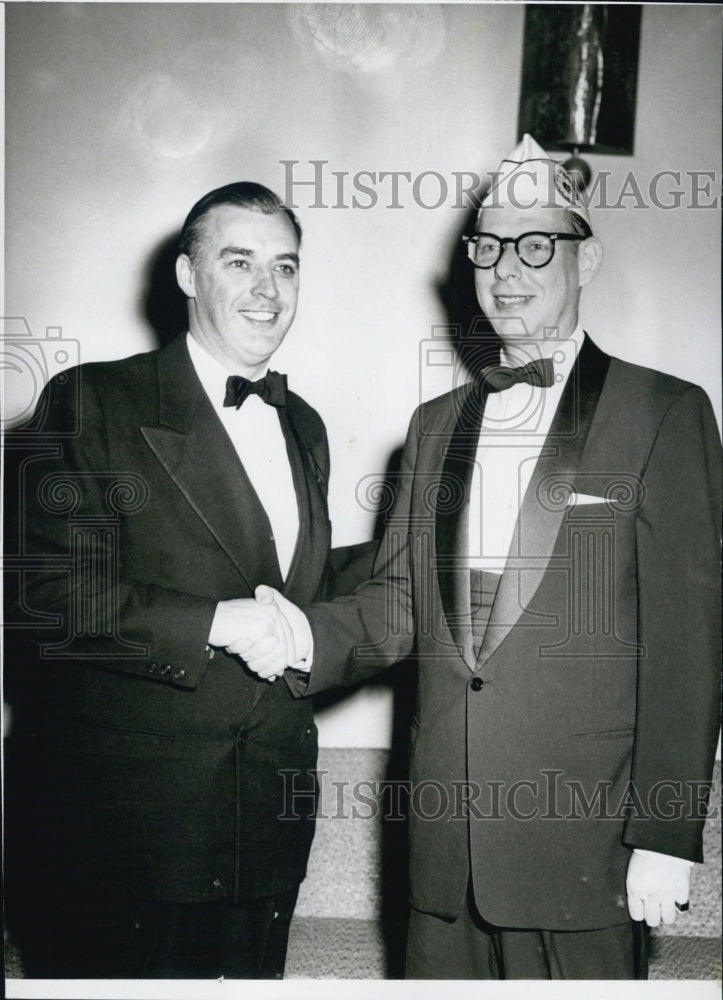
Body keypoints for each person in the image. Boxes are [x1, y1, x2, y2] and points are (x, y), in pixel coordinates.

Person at [237, 136, 721, 979]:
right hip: (441, 850)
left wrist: (666, 834)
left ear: (586, 257)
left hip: (586, 847)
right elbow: (395, 606)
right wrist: (301, 637)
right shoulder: (433, 426)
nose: (508, 268)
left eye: (537, 244)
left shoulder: (665, 412)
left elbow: (688, 646)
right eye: (489, 246)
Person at [4, 182, 332, 979]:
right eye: (239, 261)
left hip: (267, 829)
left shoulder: (305, 424)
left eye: (285, 267)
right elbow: (42, 599)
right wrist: (215, 622)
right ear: (187, 276)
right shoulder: (92, 399)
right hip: (125, 834)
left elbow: (294, 585)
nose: (267, 289)